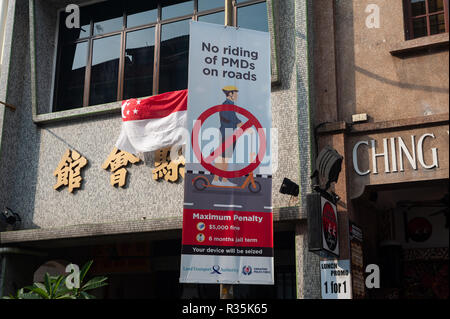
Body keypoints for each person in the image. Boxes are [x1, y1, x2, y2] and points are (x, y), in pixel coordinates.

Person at [211, 86, 243, 186]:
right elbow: (233, 120)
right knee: (222, 157)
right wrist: (244, 126)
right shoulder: (226, 106)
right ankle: (217, 179)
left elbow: (235, 119)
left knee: (225, 158)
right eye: (235, 93)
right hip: (226, 133)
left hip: (229, 133)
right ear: (230, 94)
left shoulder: (230, 105)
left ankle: (223, 179)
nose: (237, 95)